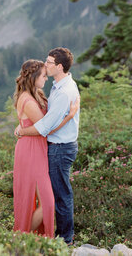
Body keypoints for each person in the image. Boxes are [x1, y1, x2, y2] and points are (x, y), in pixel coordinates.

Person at [15, 48, 80, 245]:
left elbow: (45, 127)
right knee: (49, 199)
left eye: (49, 63)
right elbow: (42, 124)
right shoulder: (54, 87)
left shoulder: (60, 91)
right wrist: (23, 127)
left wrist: (22, 130)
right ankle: (22, 238)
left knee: (56, 197)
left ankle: (64, 239)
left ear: (60, 67)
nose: (47, 66)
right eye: (43, 70)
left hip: (54, 148)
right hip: (36, 151)